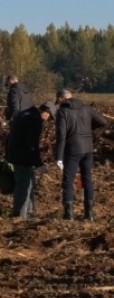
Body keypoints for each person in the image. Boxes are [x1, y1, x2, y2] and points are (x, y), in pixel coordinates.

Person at [55, 89, 108, 220]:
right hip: (88, 148)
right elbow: (103, 122)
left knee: (68, 181)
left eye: (58, 101)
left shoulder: (63, 112)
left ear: (61, 98)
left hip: (72, 149)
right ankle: (89, 214)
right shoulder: (87, 108)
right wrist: (88, 129)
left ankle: (69, 215)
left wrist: (59, 157)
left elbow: (61, 136)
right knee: (87, 179)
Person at [5, 102, 56, 219]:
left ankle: (30, 213)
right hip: (23, 157)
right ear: (46, 111)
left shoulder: (25, 113)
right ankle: (20, 216)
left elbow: (10, 136)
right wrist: (39, 164)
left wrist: (8, 154)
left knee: (30, 184)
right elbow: (32, 144)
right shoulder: (34, 120)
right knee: (24, 186)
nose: (48, 120)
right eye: (50, 116)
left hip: (15, 154)